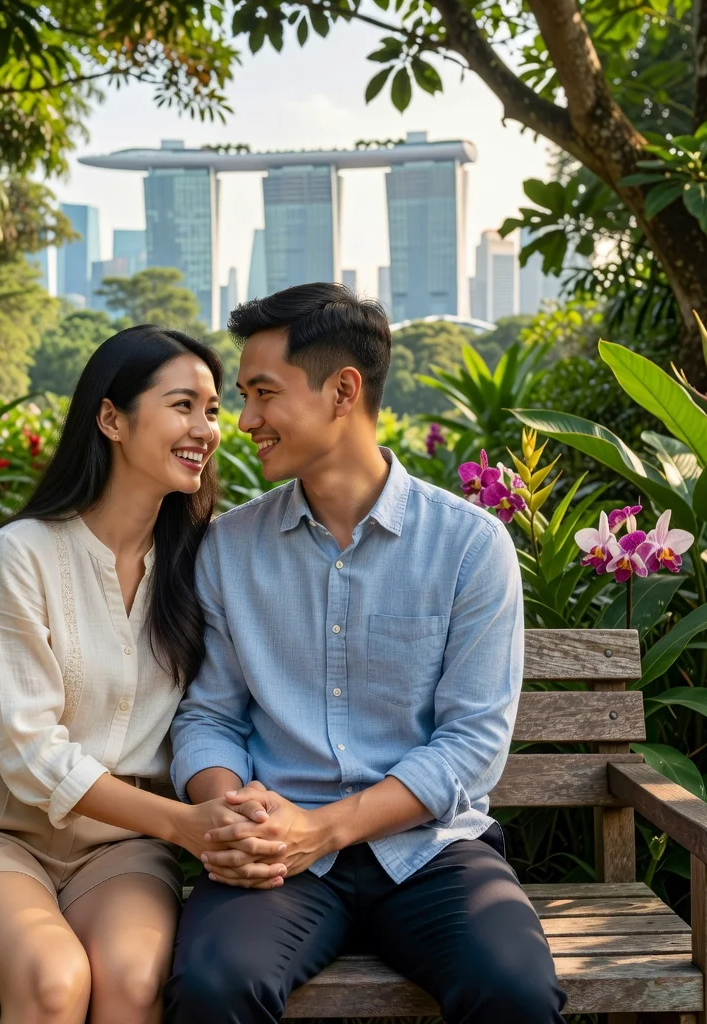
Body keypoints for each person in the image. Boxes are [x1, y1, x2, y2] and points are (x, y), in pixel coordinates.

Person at [164, 284, 568, 1024]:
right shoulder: (226, 549)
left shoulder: (470, 546)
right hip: (276, 853)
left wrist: (324, 827)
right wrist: (232, 811)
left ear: (343, 391)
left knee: (513, 990)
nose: (244, 420)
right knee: (214, 984)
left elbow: (473, 744)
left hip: (429, 852)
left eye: (263, 393)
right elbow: (209, 716)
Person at [0, 326, 282, 1024]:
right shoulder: (22, 555)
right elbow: (29, 754)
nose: (204, 428)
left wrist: (233, 815)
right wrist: (186, 825)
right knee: (54, 979)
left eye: (211, 410)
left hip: (123, 851)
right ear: (111, 418)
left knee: (129, 982)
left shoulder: (202, 562)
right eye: (182, 406)